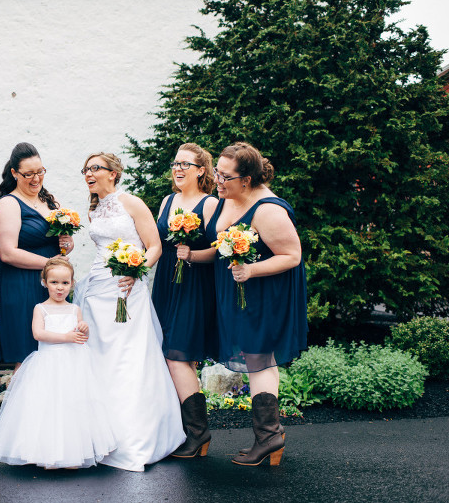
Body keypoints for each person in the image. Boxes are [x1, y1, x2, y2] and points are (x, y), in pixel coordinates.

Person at [73, 152, 185, 472]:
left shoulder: (132, 202)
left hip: (127, 288)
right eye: (85, 169)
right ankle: (100, 436)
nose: (88, 174)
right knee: (99, 359)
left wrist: (136, 271)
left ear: (114, 172)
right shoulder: (93, 209)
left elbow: (155, 247)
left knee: (128, 359)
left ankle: (134, 438)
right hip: (97, 290)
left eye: (95, 168)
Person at [205, 142, 307, 467]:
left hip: (263, 293)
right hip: (242, 292)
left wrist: (250, 269)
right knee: (255, 358)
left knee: (259, 359)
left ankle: (268, 437)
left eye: (225, 176)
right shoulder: (234, 197)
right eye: (216, 173)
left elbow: (293, 256)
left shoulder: (267, 209)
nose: (218, 181)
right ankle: (269, 436)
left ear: (246, 179)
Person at [0, 258, 116, 468]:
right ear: (44, 282)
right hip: (48, 363)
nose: (60, 288)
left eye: (65, 283)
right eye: (54, 282)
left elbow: (81, 334)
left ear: (72, 284)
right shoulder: (41, 308)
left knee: (72, 406)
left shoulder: (74, 309)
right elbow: (38, 334)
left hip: (74, 364)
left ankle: (72, 452)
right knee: (48, 407)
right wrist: (67, 337)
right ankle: (46, 453)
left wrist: (84, 329)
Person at [151, 143, 219, 459]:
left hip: (193, 284)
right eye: (175, 163)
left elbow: (221, 250)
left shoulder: (208, 204)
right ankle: (182, 432)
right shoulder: (167, 201)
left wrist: (192, 253)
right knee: (175, 356)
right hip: (166, 283)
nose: (178, 169)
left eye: (186, 164)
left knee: (177, 355)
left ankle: (198, 432)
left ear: (201, 170)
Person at [0, 142, 73, 369]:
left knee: (55, 351)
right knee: (28, 354)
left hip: (50, 284)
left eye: (40, 172)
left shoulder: (48, 201)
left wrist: (67, 244)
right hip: (21, 285)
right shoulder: (9, 203)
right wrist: (51, 264)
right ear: (15, 173)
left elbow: (56, 243)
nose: (36, 179)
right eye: (28, 174)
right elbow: (8, 253)